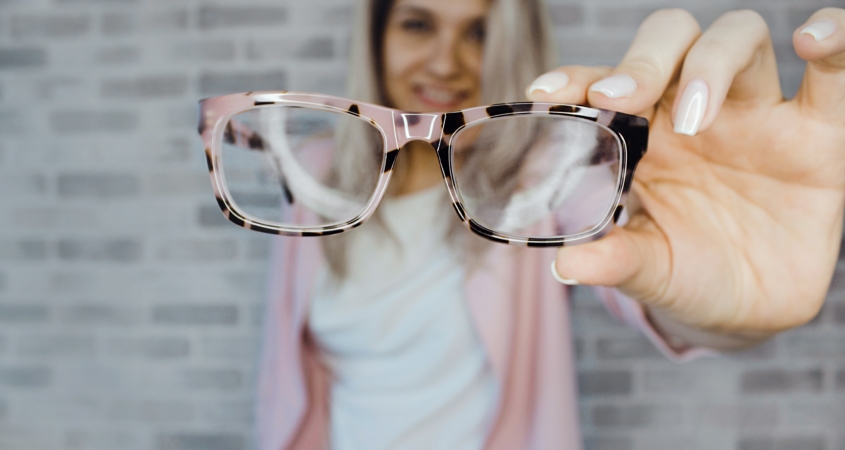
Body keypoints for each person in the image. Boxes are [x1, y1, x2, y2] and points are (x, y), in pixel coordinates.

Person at [253, 0, 845, 448]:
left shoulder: (546, 174)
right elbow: (292, 379)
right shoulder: (316, 174)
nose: (444, 61)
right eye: (418, 24)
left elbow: (649, 272)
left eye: (479, 31)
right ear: (376, 35)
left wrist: (734, 296)